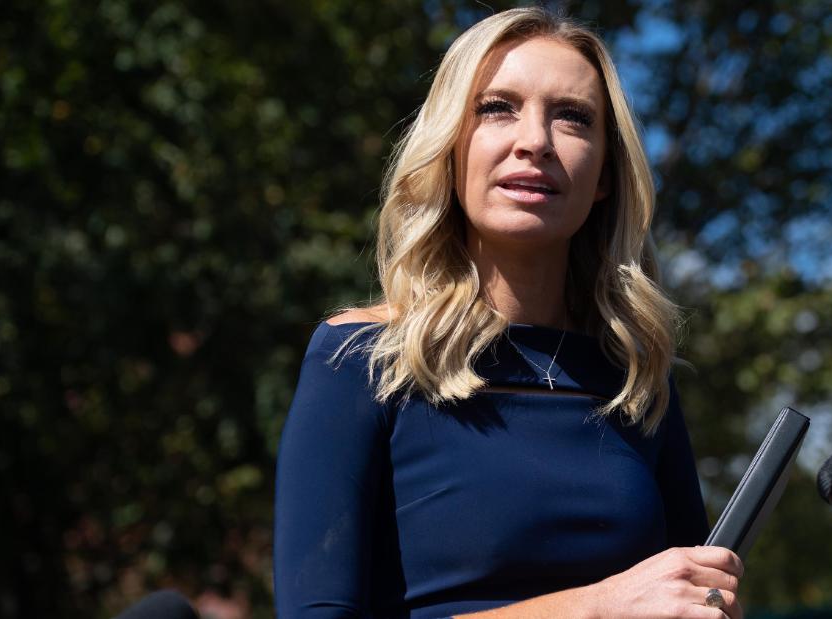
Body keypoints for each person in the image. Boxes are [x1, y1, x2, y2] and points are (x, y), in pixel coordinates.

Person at [273, 7, 744, 619]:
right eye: (497, 108)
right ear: (450, 148)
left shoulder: (637, 376)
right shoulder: (360, 360)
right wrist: (595, 607)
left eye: (572, 118)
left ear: (605, 173)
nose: (535, 141)